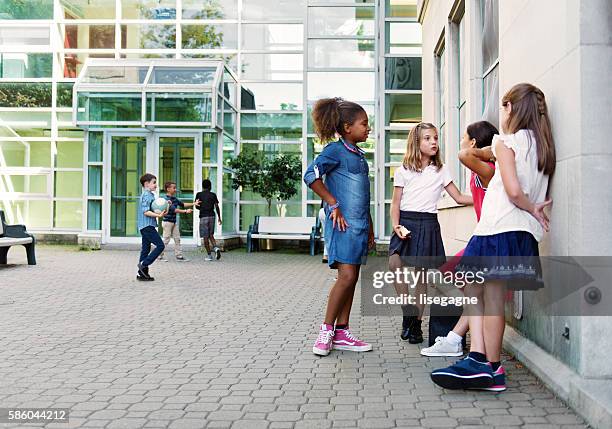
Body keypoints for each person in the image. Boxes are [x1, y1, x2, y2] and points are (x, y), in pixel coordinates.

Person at [431, 83, 555, 392]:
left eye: (503, 107)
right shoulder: (541, 147)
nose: (501, 113)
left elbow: (513, 191)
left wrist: (531, 207)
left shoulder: (507, 142)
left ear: (511, 109)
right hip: (519, 232)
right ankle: (487, 365)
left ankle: (482, 363)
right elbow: (492, 158)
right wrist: (534, 210)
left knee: (480, 296)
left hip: (498, 227)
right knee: (489, 298)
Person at [388, 122, 473, 344]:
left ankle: (415, 324)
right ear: (416, 142)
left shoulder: (441, 170)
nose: (433, 142)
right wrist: (396, 226)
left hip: (427, 223)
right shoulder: (403, 170)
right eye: (427, 138)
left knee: (421, 276)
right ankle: (408, 312)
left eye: (435, 138)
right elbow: (395, 203)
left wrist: (487, 196)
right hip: (405, 221)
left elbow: (459, 197)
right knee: (394, 264)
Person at [304, 97, 375, 357]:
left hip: (359, 227)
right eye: (364, 124)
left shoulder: (359, 155)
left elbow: (362, 195)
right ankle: (325, 331)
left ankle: (342, 332)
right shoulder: (335, 151)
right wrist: (332, 203)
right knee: (345, 278)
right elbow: (310, 175)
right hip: (342, 226)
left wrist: (368, 227)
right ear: (347, 127)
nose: (368, 128)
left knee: (352, 277)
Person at [420, 120, 498, 357]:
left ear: (473, 143)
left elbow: (464, 154)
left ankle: (457, 339)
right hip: (482, 237)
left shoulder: (487, 169)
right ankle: (459, 336)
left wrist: (489, 148)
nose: (461, 141)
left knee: (458, 281)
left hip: (491, 239)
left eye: (465, 136)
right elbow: (472, 200)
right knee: (457, 282)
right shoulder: (479, 172)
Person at [158, 181, 199, 262]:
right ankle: (159, 256)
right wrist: (185, 211)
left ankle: (179, 256)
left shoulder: (174, 198)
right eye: (173, 188)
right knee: (166, 239)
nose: (175, 189)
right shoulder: (166, 199)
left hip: (173, 222)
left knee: (177, 239)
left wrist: (194, 203)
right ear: (168, 189)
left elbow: (182, 204)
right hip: (167, 222)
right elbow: (174, 210)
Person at [137, 173, 166, 281]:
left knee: (145, 249)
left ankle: (142, 274)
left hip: (147, 226)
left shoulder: (151, 195)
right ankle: (144, 264)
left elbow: (155, 207)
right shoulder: (146, 195)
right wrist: (158, 215)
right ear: (146, 184)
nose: (156, 185)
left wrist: (165, 204)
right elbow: (146, 212)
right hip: (146, 226)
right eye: (154, 183)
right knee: (160, 246)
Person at [194, 179, 222, 261]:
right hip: (212, 217)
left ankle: (209, 255)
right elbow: (217, 206)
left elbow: (196, 206)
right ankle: (216, 248)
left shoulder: (199, 195)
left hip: (203, 217)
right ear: (210, 186)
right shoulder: (213, 195)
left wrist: (201, 207)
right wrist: (219, 217)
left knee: (205, 237)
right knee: (211, 235)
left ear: (202, 186)